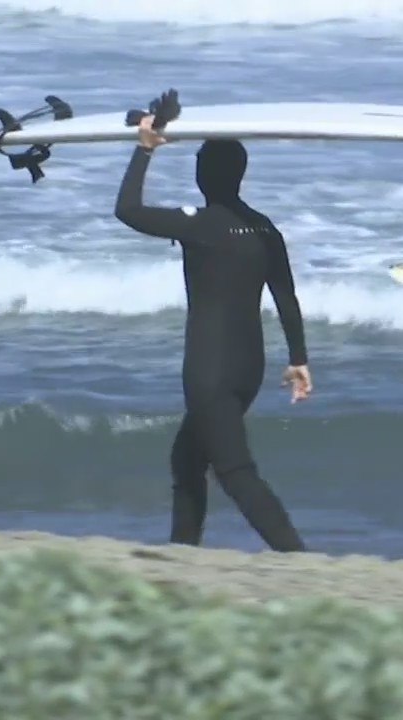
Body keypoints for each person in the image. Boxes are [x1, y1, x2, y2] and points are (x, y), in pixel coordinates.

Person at [113, 113, 312, 552]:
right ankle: (184, 551)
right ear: (241, 174)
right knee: (187, 458)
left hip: (210, 370)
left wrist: (145, 149)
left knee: (236, 472)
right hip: (248, 370)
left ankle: (297, 556)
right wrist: (298, 360)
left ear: (202, 175)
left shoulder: (199, 224)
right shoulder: (266, 229)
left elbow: (127, 210)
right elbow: (286, 298)